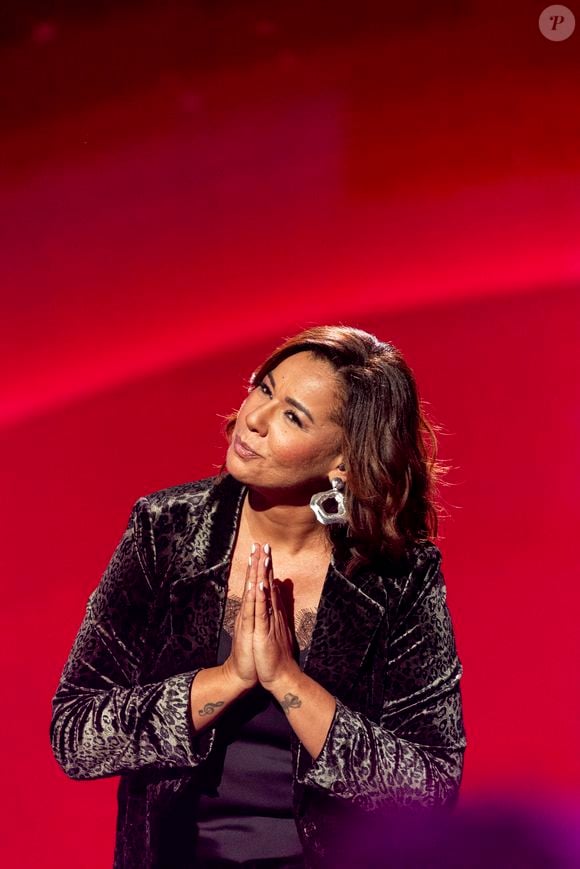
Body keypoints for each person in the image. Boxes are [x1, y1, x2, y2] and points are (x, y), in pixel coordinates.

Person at [50, 325, 466, 869]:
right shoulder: (166, 532)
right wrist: (228, 680)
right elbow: (76, 734)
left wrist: (288, 682)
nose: (254, 419)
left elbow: (431, 790)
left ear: (343, 460)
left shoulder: (396, 577)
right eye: (262, 389)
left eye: (293, 416)